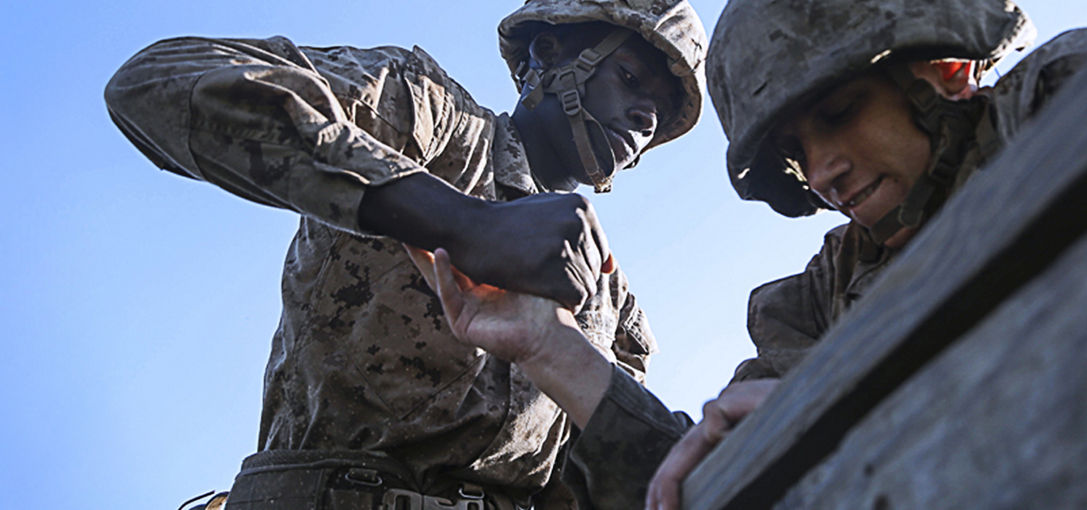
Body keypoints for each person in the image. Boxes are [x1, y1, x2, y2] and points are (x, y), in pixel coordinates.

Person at [408, 0, 1087, 508]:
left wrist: (843, 391)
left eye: (839, 112)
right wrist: (548, 346)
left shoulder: (1057, 98)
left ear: (941, 70)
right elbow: (692, 481)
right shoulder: (818, 300)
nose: (821, 174)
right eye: (795, 154)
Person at [104, 1, 707, 508]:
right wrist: (460, 221)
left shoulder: (613, 305)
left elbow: (607, 486)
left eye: (657, 114)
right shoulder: (433, 119)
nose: (645, 117)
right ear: (546, 55)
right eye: (630, 78)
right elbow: (158, 78)